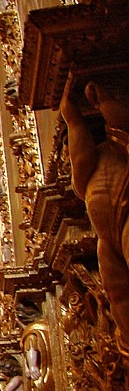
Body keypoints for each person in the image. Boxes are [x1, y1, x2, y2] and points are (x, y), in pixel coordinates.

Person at [60, 73, 129, 356]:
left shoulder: (110, 150)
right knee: (116, 292)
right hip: (109, 233)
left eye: (66, 150)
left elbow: (117, 125)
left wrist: (74, 118)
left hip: (122, 215)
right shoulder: (86, 172)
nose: (66, 156)